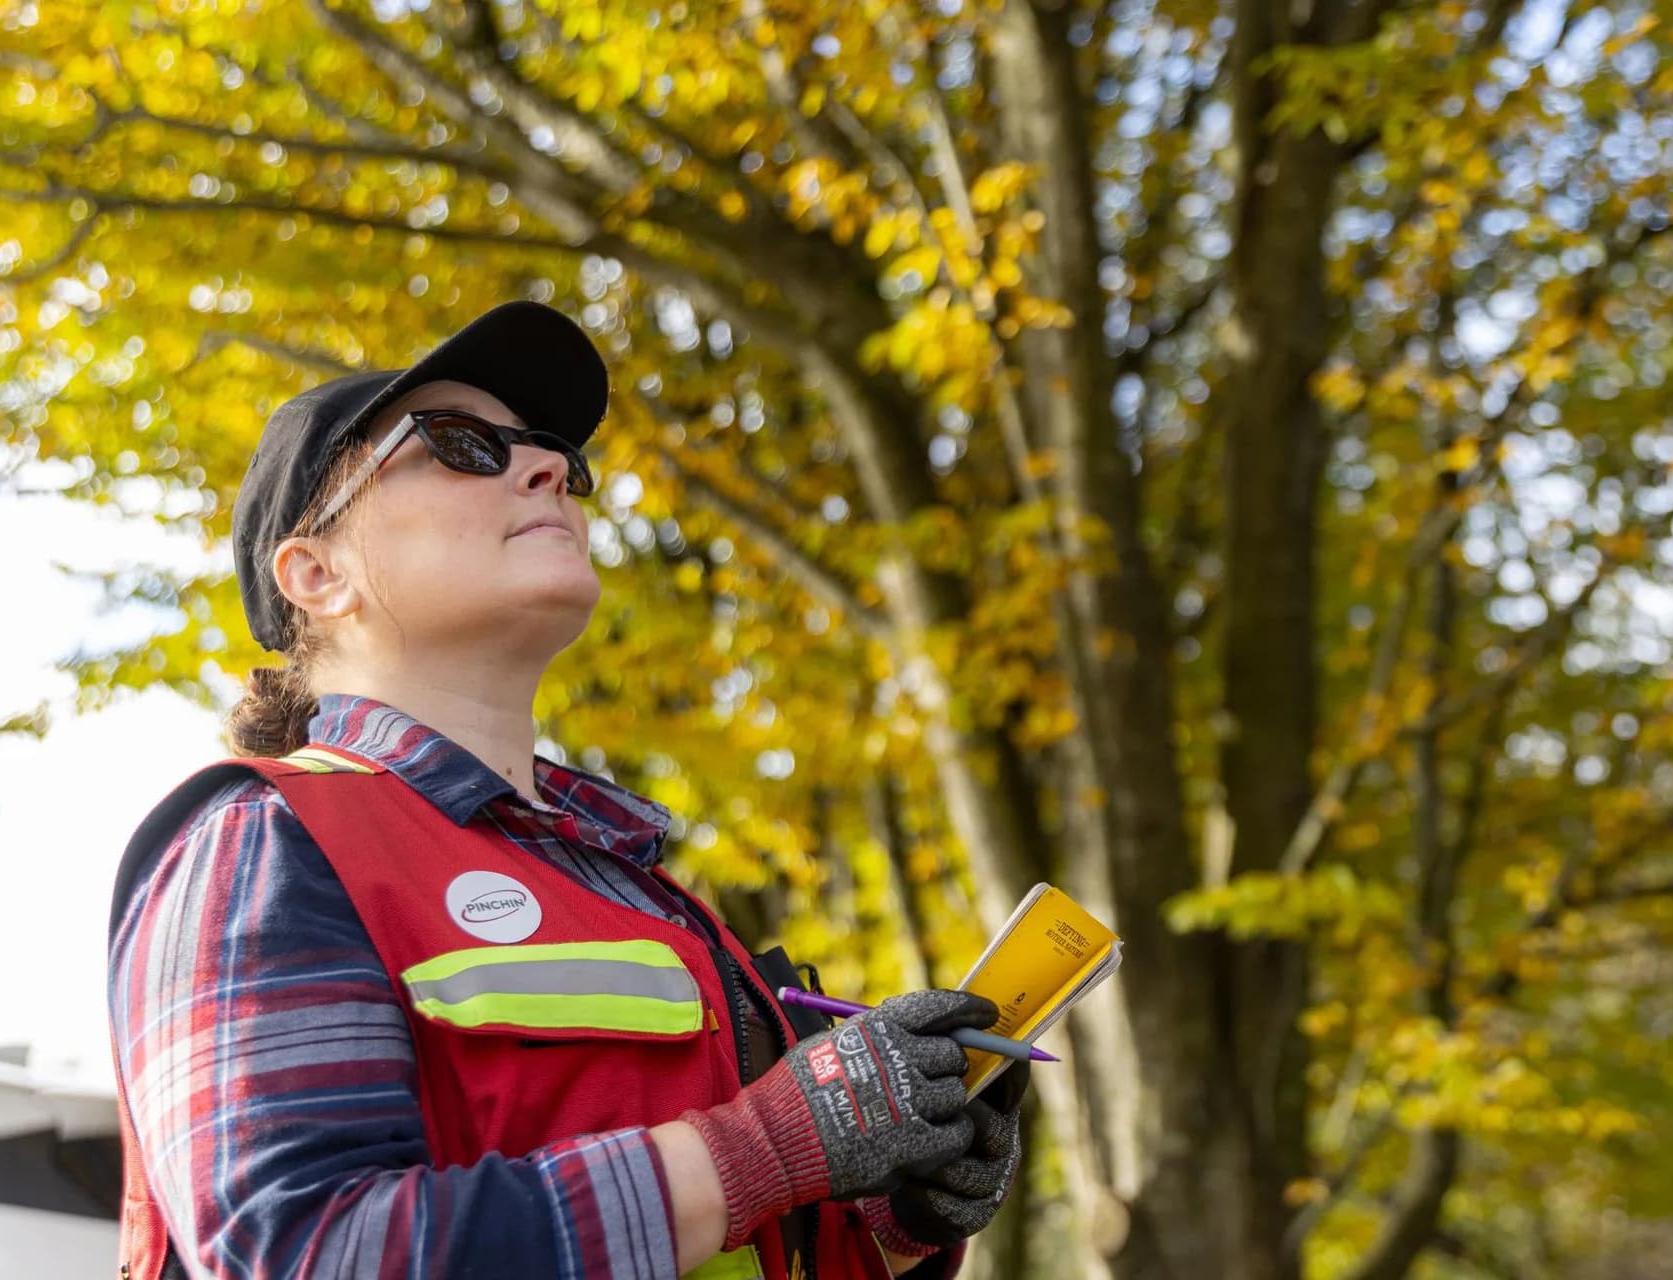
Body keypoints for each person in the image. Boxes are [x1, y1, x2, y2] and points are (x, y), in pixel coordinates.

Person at [104, 300, 1028, 1280]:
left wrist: (894, 1212)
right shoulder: (263, 840)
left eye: (558, 458)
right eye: (459, 444)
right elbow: (302, 1252)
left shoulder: (651, 900)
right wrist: (763, 1148)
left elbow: (748, 1221)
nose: (549, 469)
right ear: (317, 574)